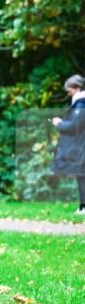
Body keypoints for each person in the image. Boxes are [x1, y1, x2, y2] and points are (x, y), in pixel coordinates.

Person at [51, 74, 85, 215]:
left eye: (69, 89)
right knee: (81, 176)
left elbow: (74, 126)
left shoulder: (81, 104)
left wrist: (59, 123)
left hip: (82, 146)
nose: (67, 92)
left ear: (77, 87)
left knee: (82, 176)